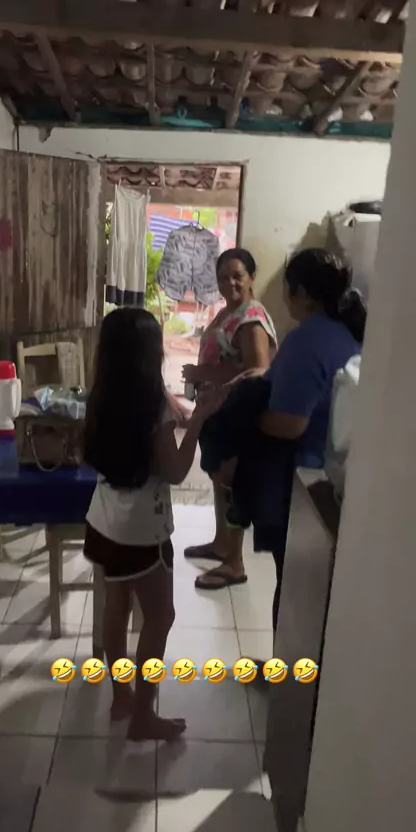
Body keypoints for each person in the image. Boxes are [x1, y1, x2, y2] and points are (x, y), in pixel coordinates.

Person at [195, 248, 366, 617]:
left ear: (299, 292)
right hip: (331, 475)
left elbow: (289, 424)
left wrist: (245, 422)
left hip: (302, 477)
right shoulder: (343, 333)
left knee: (293, 590)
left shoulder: (306, 340)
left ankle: (284, 659)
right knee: (305, 589)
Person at [83, 308, 219, 741]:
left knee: (116, 609)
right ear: (149, 354)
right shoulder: (151, 407)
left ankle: (121, 696)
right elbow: (176, 471)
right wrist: (199, 419)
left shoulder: (101, 396)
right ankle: (143, 714)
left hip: (104, 522)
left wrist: (177, 411)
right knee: (160, 616)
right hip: (143, 533)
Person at [181, 248, 277, 583]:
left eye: (237, 276)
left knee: (231, 481)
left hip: (237, 412)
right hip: (217, 409)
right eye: (223, 277)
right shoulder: (229, 312)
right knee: (218, 478)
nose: (230, 283)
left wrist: (202, 373)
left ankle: (234, 563)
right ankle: (222, 544)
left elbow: (257, 369)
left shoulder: (251, 317)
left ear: (252, 277)